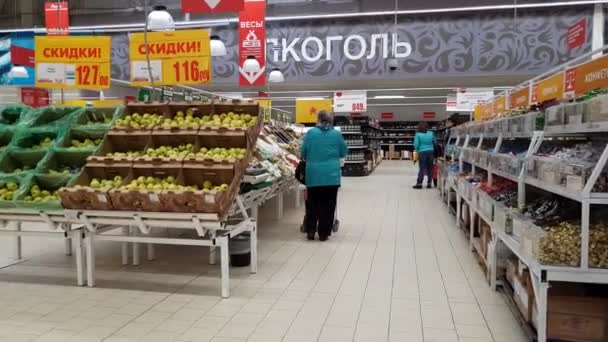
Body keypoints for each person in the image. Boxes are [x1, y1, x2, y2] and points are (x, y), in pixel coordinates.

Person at [300, 111, 347, 241]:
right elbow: (344, 152)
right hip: (331, 176)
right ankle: (323, 233)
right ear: (331, 121)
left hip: (313, 175)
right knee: (329, 205)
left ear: (318, 119)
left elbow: (303, 153)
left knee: (312, 203)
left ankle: (310, 230)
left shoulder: (311, 133)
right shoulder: (337, 135)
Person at [413, 121, 435, 189]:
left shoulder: (418, 134)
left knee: (422, 168)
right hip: (431, 151)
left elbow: (416, 144)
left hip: (422, 152)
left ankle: (419, 183)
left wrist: (417, 149)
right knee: (430, 168)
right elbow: (434, 142)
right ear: (427, 126)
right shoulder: (431, 133)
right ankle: (429, 183)